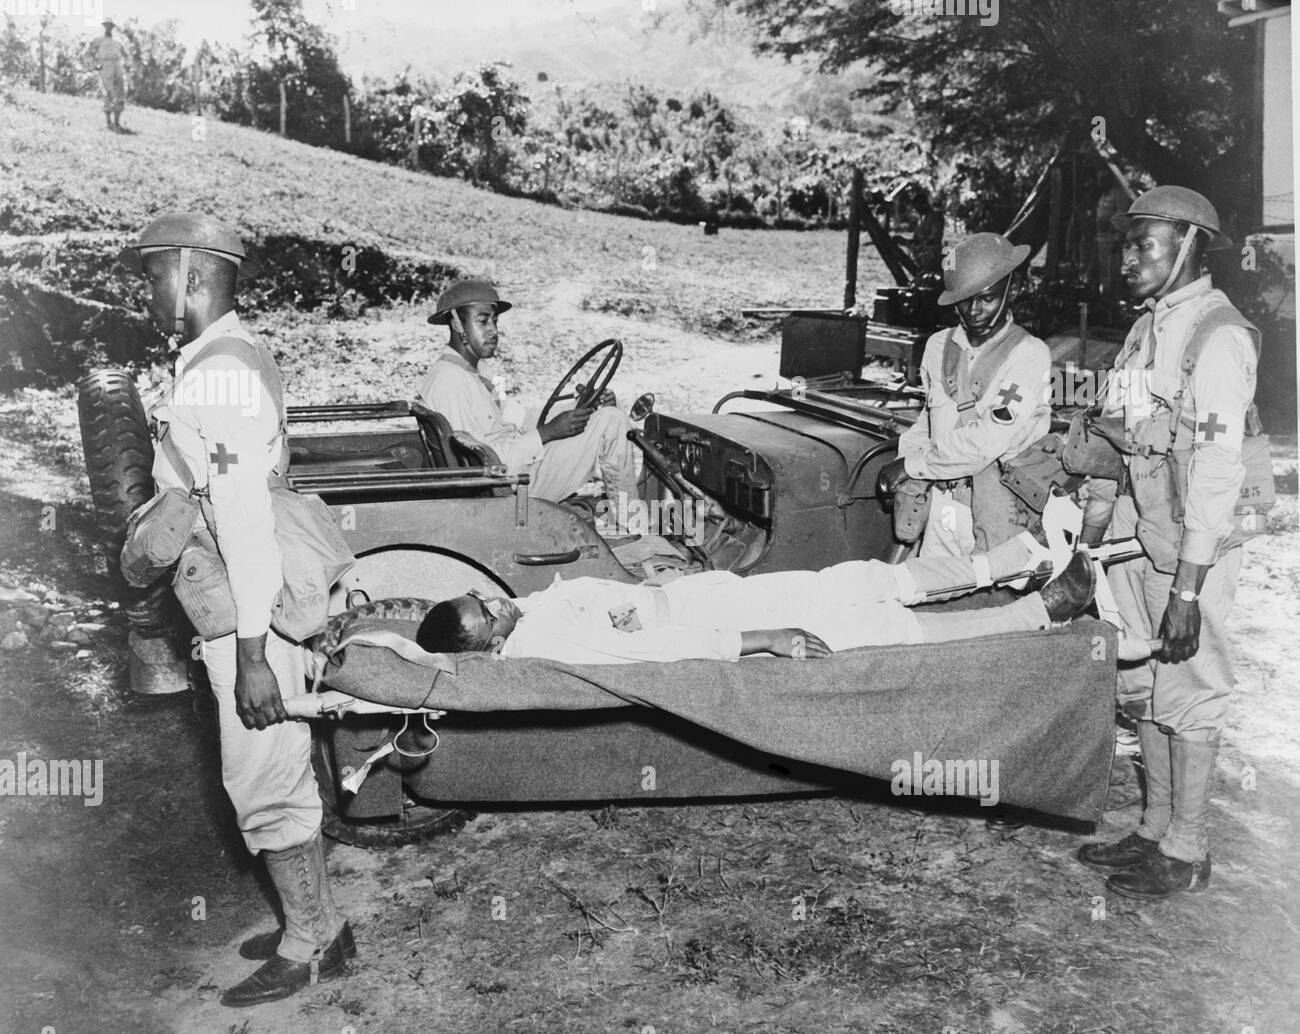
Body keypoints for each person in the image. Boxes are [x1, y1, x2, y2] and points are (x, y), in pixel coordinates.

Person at [118, 213, 355, 1005]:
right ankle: (314, 919)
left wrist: (253, 656)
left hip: (254, 609)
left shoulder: (218, 373)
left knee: (261, 777)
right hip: (245, 601)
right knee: (274, 767)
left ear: (192, 273)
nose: (147, 291)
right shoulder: (226, 355)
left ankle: (313, 940)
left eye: (154, 275)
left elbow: (247, 525)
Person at [1074, 186, 1259, 901]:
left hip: (1191, 553)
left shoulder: (1218, 338)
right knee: (1145, 687)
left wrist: (1187, 589)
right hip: (1137, 540)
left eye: (1142, 244)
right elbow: (1112, 443)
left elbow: (1217, 472)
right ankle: (1153, 831)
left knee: (1193, 691)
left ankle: (1188, 847)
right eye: (1126, 244)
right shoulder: (1146, 331)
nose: (1128, 259)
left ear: (1186, 245)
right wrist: (1089, 544)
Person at [415, 533, 1097, 664]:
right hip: (709, 621)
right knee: (875, 631)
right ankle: (1039, 611)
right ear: (485, 648)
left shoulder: (526, 615)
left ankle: (1014, 558)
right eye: (485, 621)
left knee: (858, 580)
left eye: (483, 598)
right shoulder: (539, 643)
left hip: (698, 596)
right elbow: (659, 649)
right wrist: (763, 639)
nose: (495, 604)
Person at [880, 233, 1054, 559]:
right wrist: (904, 470)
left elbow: (989, 439)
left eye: (986, 298)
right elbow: (928, 422)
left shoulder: (1029, 354)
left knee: (992, 604)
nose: (974, 311)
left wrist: (913, 465)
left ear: (1011, 290)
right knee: (929, 598)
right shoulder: (938, 346)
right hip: (942, 506)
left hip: (999, 511)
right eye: (964, 299)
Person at [416, 280, 639, 507]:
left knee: (605, 414)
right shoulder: (450, 381)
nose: (493, 330)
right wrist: (547, 433)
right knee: (612, 421)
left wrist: (579, 407)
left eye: (494, 321)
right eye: (482, 322)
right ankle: (630, 519)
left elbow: (518, 417)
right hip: (505, 487)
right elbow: (484, 465)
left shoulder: (475, 370)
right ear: (456, 324)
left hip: (516, 468)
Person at [89, 19, 127, 133]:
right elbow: (89, 53)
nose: (108, 28)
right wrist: (96, 64)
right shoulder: (98, 40)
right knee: (108, 92)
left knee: (119, 92)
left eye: (110, 26)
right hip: (105, 65)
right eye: (106, 25)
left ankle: (117, 122)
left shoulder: (117, 42)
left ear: (113, 27)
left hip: (117, 66)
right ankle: (108, 122)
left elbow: (125, 54)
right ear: (103, 26)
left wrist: (126, 64)